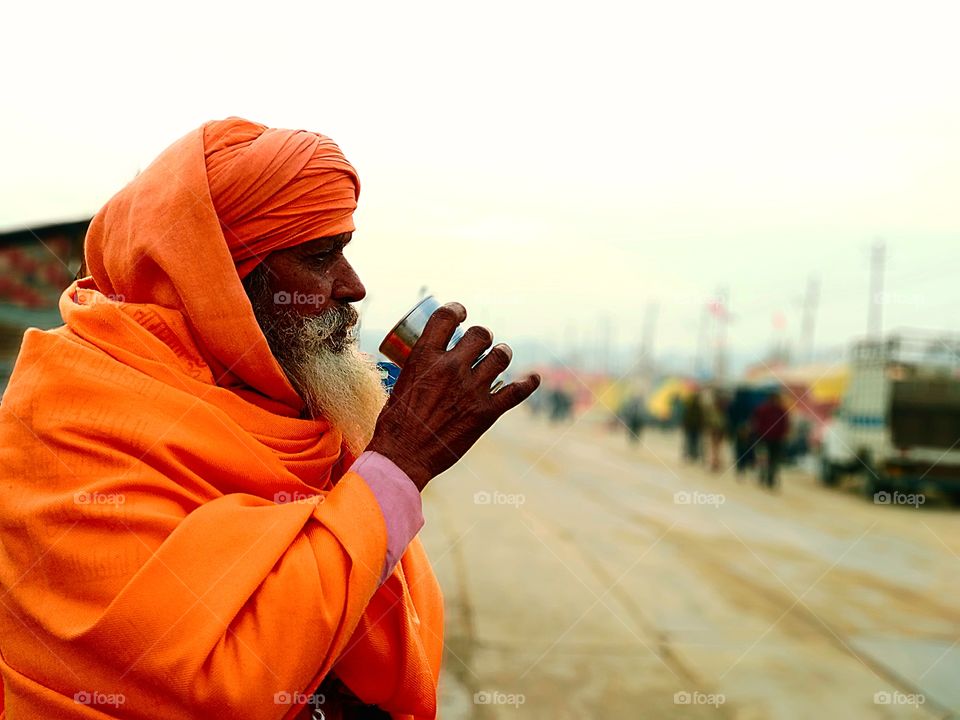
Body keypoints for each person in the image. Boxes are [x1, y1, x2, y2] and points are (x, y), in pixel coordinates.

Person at [0, 117, 540, 719]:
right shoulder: (71, 414)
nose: (353, 287)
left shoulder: (289, 405)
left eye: (344, 252)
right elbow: (216, 684)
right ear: (218, 279)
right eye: (320, 258)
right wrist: (398, 464)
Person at [752, 391, 791, 489]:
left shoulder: (765, 409)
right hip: (771, 438)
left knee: (768, 459)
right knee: (771, 459)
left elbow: (756, 423)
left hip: (769, 438)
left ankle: (766, 476)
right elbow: (785, 425)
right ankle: (767, 477)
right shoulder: (779, 410)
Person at [681, 391, 705, 462]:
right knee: (694, 441)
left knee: (690, 441)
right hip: (695, 427)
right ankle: (693, 454)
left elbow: (685, 416)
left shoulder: (689, 406)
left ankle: (690, 454)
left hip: (691, 427)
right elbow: (701, 417)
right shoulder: (699, 406)